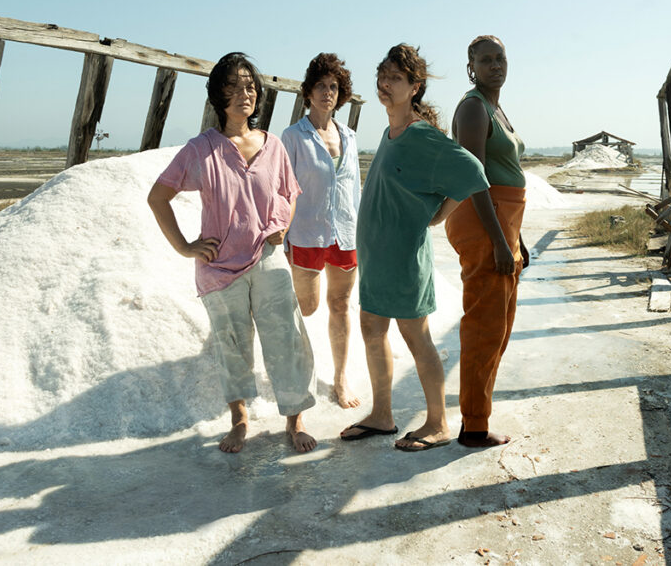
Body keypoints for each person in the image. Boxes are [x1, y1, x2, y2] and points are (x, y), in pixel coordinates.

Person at [341, 43, 510, 451]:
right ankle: (383, 415)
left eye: (395, 78)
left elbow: (471, 169)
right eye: (382, 75)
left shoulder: (420, 134)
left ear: (415, 87)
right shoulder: (390, 129)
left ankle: (437, 423)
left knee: (416, 337)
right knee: (372, 328)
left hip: (403, 258)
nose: (385, 83)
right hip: (378, 256)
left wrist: (438, 212)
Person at [147, 52, 317, 454]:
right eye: (235, 86)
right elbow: (159, 197)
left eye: (251, 86)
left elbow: (289, 194)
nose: (246, 93)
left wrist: (282, 224)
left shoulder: (272, 145)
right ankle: (239, 420)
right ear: (218, 94)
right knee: (233, 345)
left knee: (287, 337)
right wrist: (185, 246)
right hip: (220, 267)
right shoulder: (201, 149)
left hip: (268, 258)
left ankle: (295, 419)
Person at [445, 35, 527, 448]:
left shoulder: (496, 107)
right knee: (484, 325)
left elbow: (505, 171)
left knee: (500, 326)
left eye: (501, 58)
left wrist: (517, 240)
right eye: (486, 60)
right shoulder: (474, 108)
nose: (496, 65)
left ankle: (477, 415)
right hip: (484, 224)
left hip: (503, 223)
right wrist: (498, 241)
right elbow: (475, 178)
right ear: (471, 67)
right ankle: (473, 425)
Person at [281, 53, 362, 409]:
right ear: (308, 92)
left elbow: (355, 188)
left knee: (341, 304)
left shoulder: (350, 136)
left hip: (344, 232)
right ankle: (293, 369)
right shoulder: (292, 136)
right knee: (308, 306)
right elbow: (282, 189)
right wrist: (282, 236)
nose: (327, 92)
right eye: (320, 86)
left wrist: (363, 231)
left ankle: (340, 379)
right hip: (306, 232)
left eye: (333, 87)